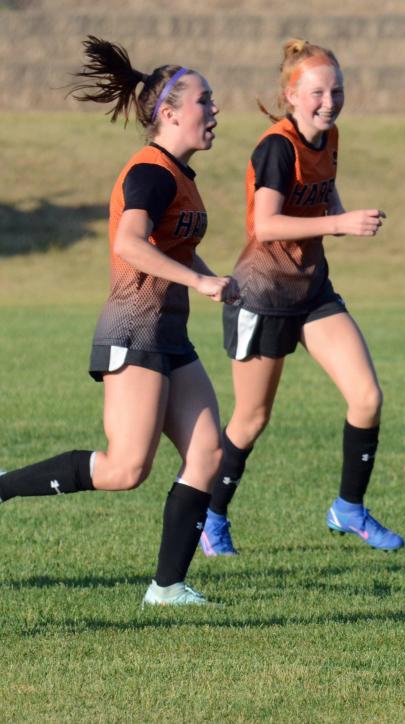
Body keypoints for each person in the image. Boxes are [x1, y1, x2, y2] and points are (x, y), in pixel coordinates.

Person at [0, 37, 235, 605]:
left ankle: (168, 586)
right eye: (206, 101)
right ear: (171, 114)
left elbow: (172, 249)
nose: (214, 111)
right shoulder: (150, 173)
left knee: (208, 452)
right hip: (133, 331)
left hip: (169, 335)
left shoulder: (180, 175)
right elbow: (130, 244)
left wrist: (212, 277)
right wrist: (199, 281)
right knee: (127, 467)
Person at [199, 40, 404, 556]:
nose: (329, 101)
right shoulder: (277, 147)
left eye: (337, 90)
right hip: (262, 296)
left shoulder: (330, 137)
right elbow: (264, 224)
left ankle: (349, 509)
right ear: (291, 95)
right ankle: (211, 517)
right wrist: (339, 222)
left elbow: (322, 191)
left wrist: (338, 212)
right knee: (251, 419)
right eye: (317, 92)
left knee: (367, 398)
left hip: (311, 292)